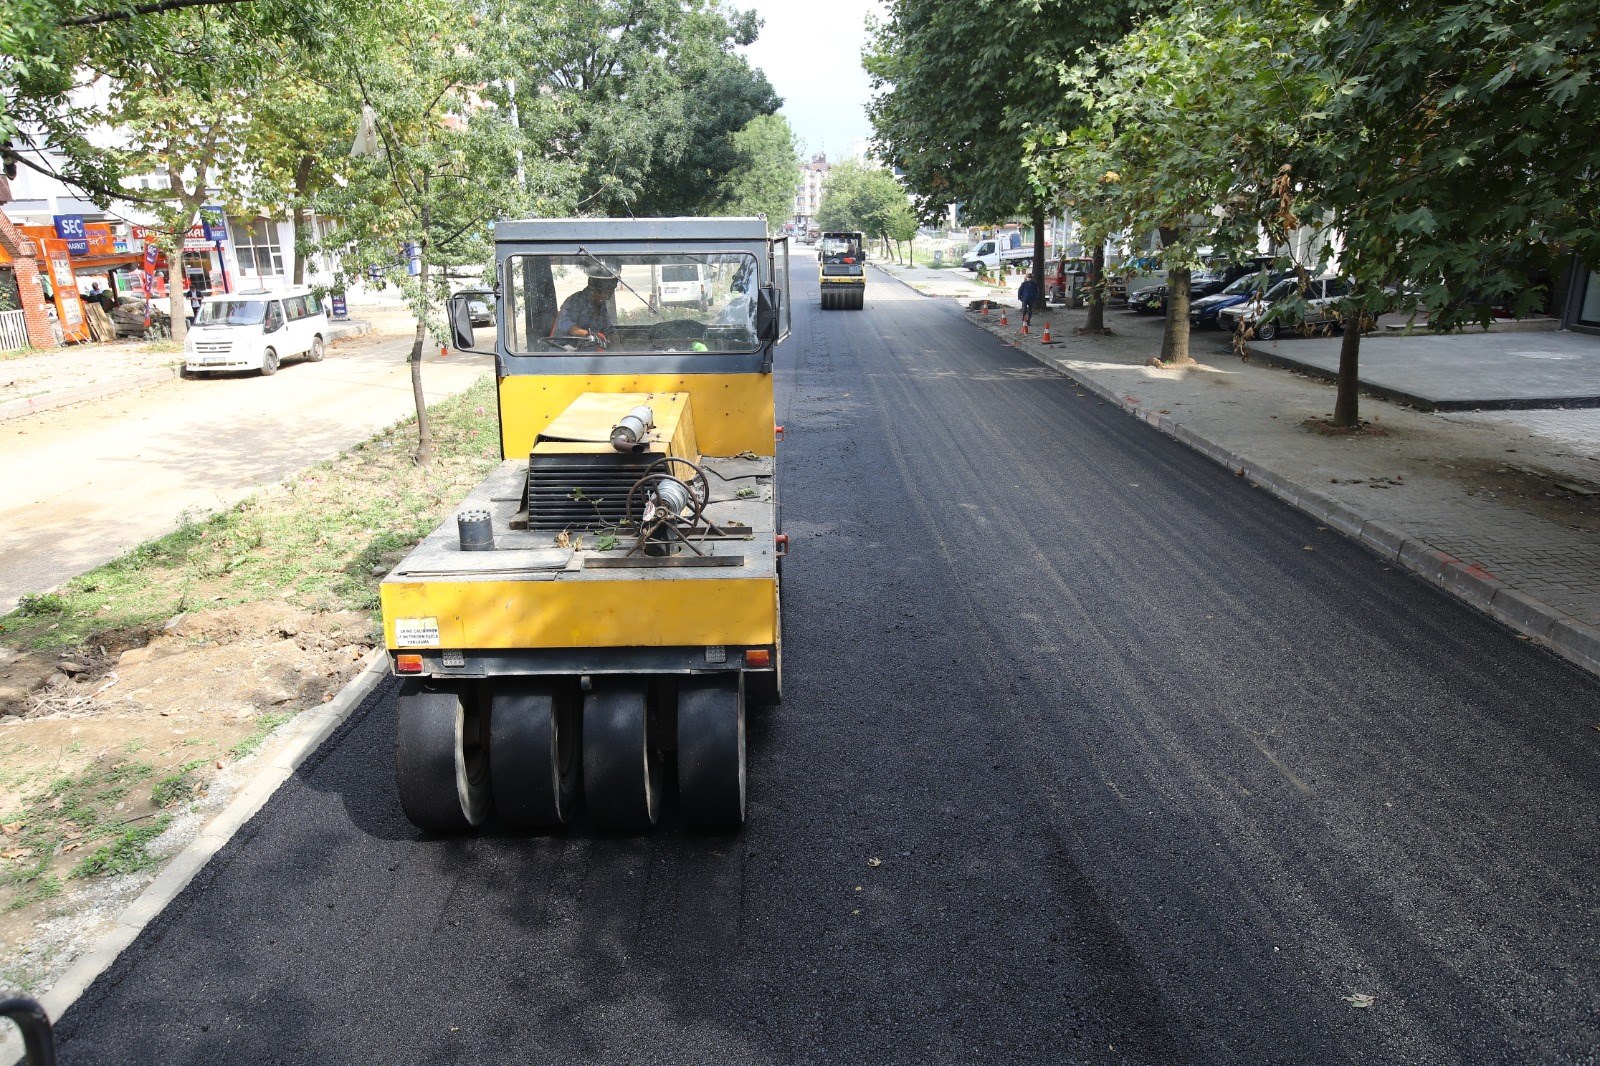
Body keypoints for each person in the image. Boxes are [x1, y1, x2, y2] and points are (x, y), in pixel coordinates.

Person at [553, 267, 619, 345]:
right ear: (593, 289)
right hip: (565, 351)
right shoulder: (575, 301)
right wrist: (588, 334)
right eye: (605, 293)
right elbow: (565, 324)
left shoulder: (601, 304)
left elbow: (609, 329)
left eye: (610, 293)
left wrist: (620, 348)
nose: (607, 297)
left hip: (588, 351)